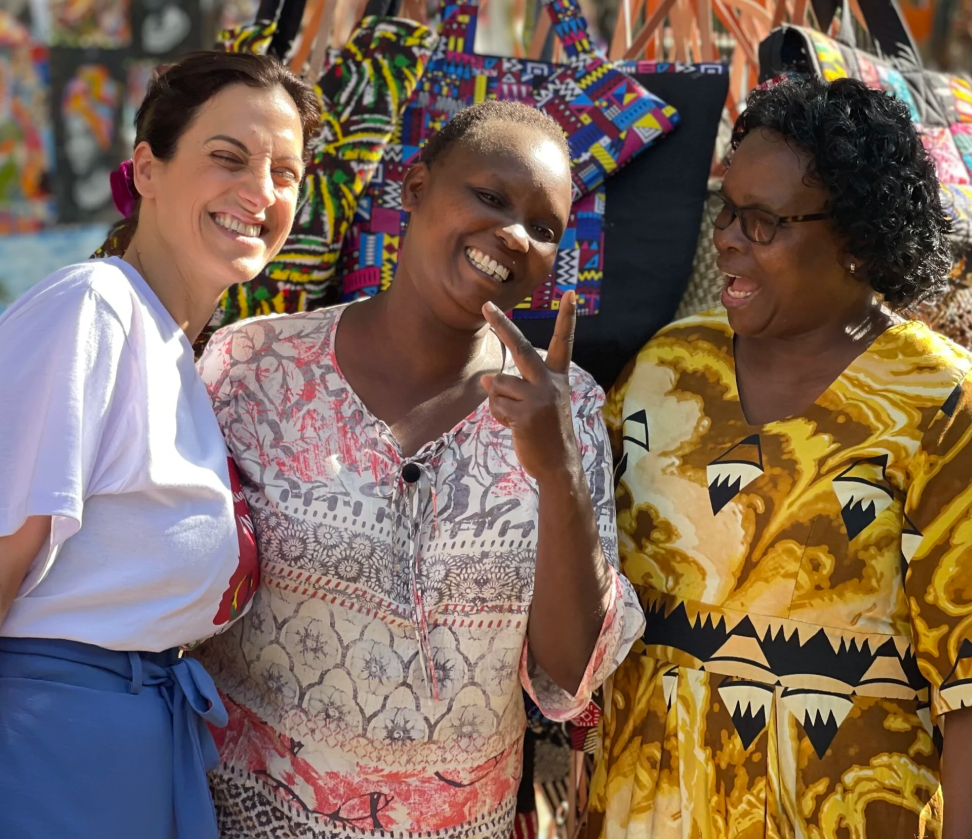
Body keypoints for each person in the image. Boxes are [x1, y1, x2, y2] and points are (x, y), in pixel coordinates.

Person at [192, 100, 644, 838]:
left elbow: (567, 676)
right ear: (416, 186)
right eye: (490, 197)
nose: (513, 235)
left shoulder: (568, 406)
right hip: (244, 814)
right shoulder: (253, 368)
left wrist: (557, 471)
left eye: (544, 228)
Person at [589, 75, 972, 838]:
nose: (728, 237)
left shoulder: (939, 404)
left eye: (763, 223)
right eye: (727, 211)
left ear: (860, 238)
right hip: (641, 812)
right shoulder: (664, 371)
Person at [0, 50, 319, 839]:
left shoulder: (181, 351)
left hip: (130, 749)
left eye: (285, 172)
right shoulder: (93, 308)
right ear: (147, 168)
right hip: (46, 750)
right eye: (229, 158)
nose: (260, 192)